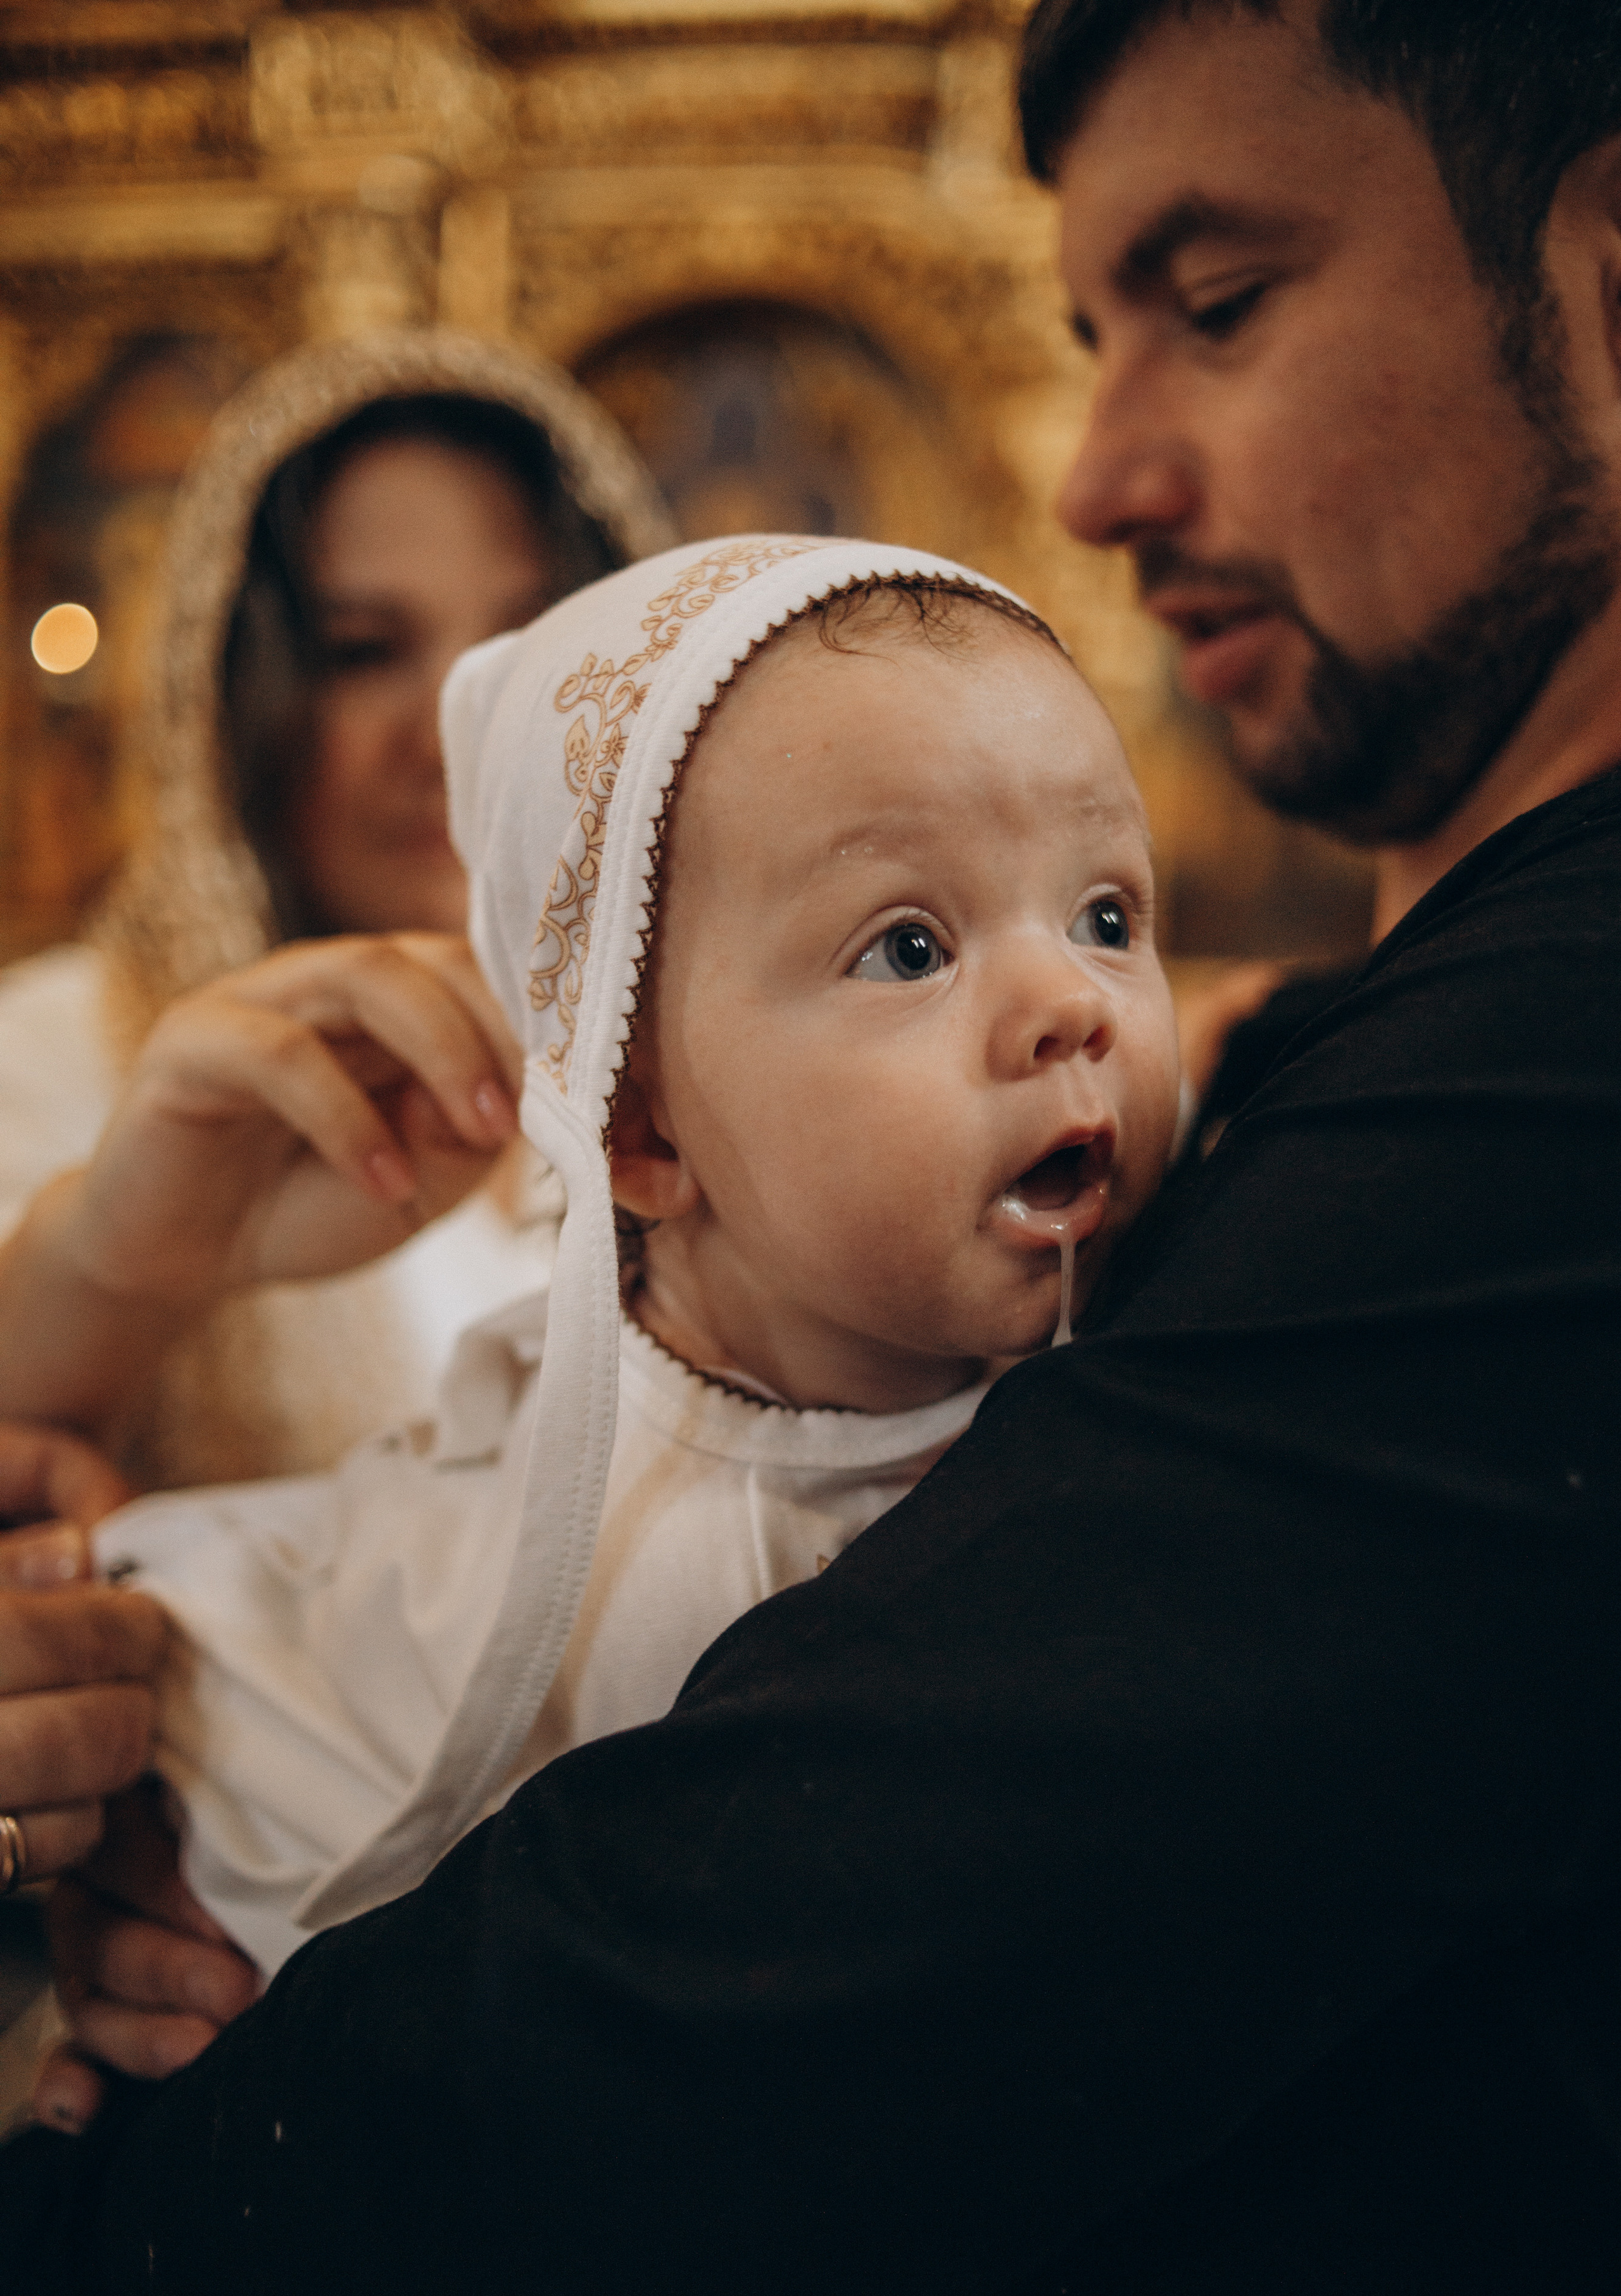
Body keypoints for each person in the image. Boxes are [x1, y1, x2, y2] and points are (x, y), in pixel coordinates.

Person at [3, 1, 1620, 2296]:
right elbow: (199, 1652)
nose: (1097, 469)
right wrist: (138, 1810)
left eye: (1221, 298)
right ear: (642, 1129)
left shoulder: (1432, 1105)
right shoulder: (349, 1194)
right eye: (904, 943)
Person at [80, 541, 1178, 1977]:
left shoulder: (1181, 1336)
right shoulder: (610, 1573)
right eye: (910, 948)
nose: (1071, 1001)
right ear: (642, 1129)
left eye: (1107, 917)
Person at [0, 329, 671, 1492]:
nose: (459, 734)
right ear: (236, 698)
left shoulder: (705, 1059)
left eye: (535, 646)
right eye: (364, 652)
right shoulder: (68, 1052)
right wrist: (111, 1267)